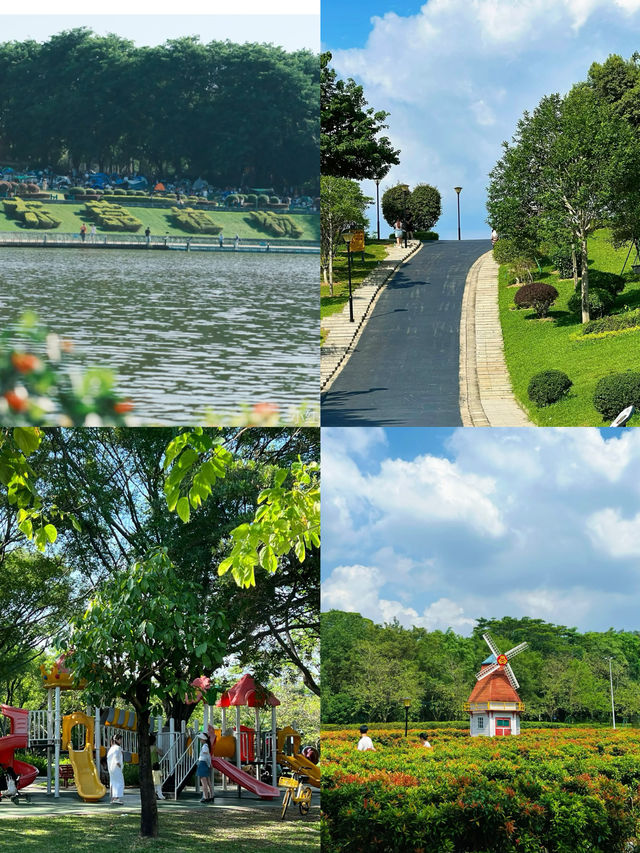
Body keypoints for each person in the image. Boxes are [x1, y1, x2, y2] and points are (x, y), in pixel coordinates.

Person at [107, 735, 125, 804]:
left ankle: (113, 798)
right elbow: (116, 757)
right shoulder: (118, 748)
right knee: (119, 782)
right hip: (116, 767)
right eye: (120, 739)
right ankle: (116, 798)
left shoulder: (111, 749)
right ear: (117, 740)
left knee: (113, 782)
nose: (121, 741)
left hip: (111, 768)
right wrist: (119, 765)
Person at [196, 732, 213, 802]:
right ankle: (211, 795)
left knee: (204, 782)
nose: (200, 740)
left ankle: (205, 797)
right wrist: (209, 764)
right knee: (208, 781)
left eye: (201, 739)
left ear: (204, 739)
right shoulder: (206, 746)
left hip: (203, 764)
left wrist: (209, 763)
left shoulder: (205, 747)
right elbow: (208, 757)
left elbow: (206, 756)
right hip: (205, 764)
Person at [150, 735, 165, 800]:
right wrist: (161, 750)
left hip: (149, 766)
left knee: (152, 779)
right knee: (158, 780)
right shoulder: (155, 748)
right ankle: (158, 793)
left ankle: (153, 793)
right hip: (155, 765)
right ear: (154, 741)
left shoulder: (147, 748)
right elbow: (161, 754)